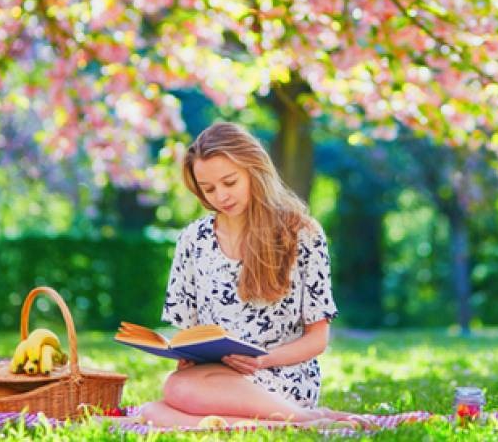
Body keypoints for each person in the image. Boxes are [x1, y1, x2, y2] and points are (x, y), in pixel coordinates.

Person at [138, 122, 363, 428]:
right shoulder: (193, 239)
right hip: (216, 379)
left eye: (230, 182)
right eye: (209, 189)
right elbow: (188, 331)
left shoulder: (301, 233)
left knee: (175, 394)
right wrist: (187, 356)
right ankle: (304, 423)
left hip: (280, 375)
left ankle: (300, 415)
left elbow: (318, 339)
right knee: (156, 408)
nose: (221, 196)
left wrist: (262, 359)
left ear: (253, 170)